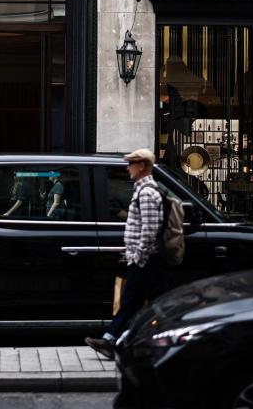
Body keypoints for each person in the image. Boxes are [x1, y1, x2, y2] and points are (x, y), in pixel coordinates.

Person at [85, 149, 165, 362]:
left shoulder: (147, 193)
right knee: (139, 303)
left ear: (142, 166)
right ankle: (115, 341)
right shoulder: (142, 190)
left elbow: (149, 230)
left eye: (131, 164)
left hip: (145, 260)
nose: (127, 168)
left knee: (143, 303)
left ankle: (114, 341)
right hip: (143, 259)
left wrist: (138, 257)